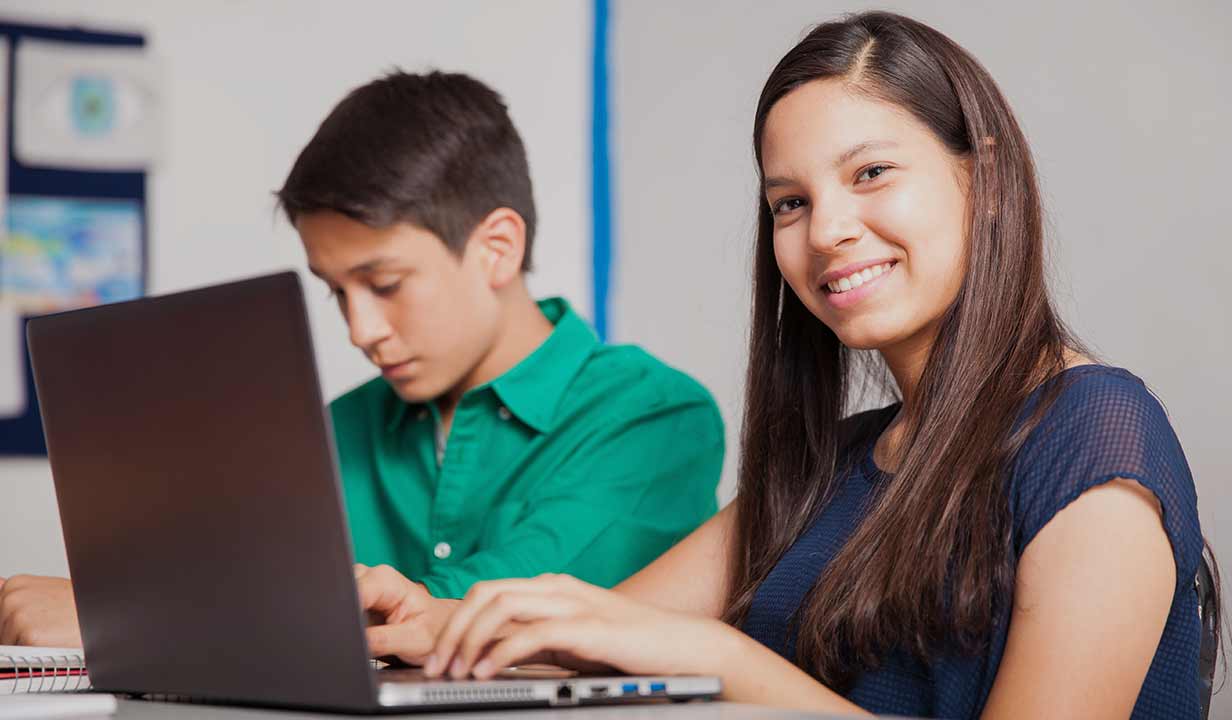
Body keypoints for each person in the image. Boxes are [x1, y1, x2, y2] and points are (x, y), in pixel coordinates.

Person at [353, 13, 1221, 718]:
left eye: (872, 172)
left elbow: (680, 644)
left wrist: (720, 658)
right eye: (790, 203)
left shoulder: (1096, 440)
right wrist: (435, 628)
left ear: (984, 181)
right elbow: (601, 628)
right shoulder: (837, 461)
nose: (828, 229)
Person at [0, 70, 724, 648]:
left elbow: (491, 609)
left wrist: (134, 616)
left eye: (383, 285)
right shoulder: (332, 432)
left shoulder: (657, 418)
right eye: (335, 293)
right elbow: (238, 583)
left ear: (496, 248)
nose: (359, 330)